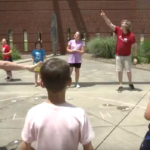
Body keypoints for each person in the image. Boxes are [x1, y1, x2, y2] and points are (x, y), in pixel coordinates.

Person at [21, 58, 94, 150]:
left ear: (41, 83)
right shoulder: (79, 114)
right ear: (69, 82)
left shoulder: (33, 113)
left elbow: (25, 145)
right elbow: (88, 146)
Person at [100, 10, 137, 92]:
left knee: (128, 70)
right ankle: (120, 85)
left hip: (127, 56)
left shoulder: (131, 36)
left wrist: (135, 57)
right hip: (118, 55)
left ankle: (130, 83)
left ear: (127, 25)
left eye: (124, 22)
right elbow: (109, 24)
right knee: (119, 70)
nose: (122, 23)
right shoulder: (118, 30)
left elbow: (134, 46)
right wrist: (104, 16)